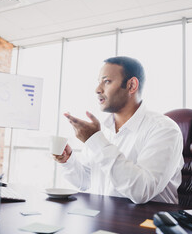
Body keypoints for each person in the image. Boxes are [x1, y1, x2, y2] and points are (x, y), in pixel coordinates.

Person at [53, 56, 184, 204]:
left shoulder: (164, 129)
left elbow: (142, 191)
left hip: (147, 222)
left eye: (107, 81)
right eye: (98, 82)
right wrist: (68, 161)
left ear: (131, 85)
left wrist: (95, 141)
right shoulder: (102, 130)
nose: (97, 89)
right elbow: (87, 181)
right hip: (104, 218)